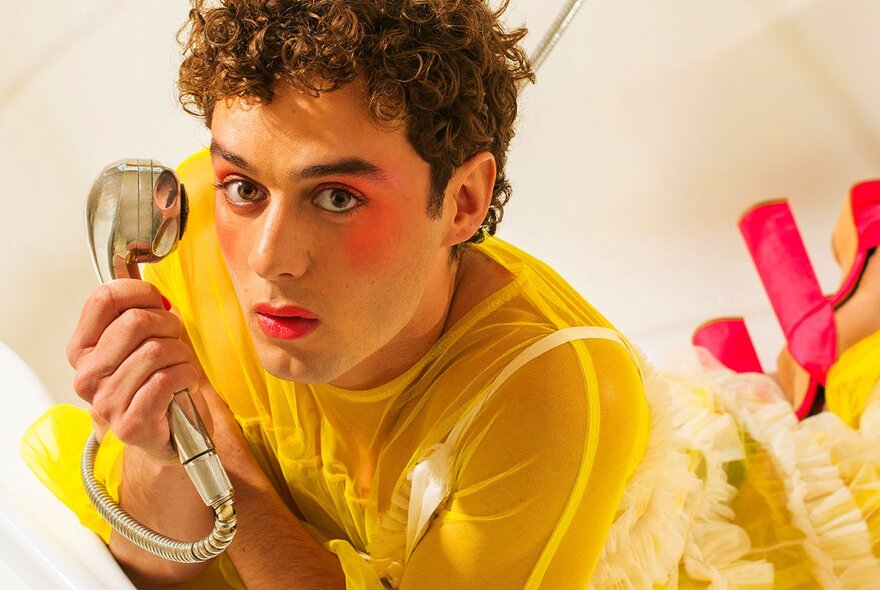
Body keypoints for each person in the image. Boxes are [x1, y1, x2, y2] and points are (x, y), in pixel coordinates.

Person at [22, 1, 652, 588]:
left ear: (462, 202)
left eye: (336, 197)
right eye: (244, 187)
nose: (269, 258)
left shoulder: (555, 394)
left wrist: (216, 453)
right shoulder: (191, 227)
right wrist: (161, 450)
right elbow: (149, 574)